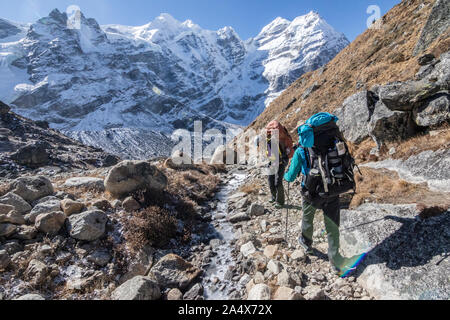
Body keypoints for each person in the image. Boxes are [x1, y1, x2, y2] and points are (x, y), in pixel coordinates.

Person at [284, 113, 366, 277]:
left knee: (308, 219)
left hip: (311, 193)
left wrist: (286, 177)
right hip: (333, 190)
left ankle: (306, 243)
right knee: (332, 226)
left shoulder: (301, 151)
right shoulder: (334, 143)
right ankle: (335, 260)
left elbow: (291, 176)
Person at [264, 121, 294, 209]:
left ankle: (280, 202)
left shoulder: (282, 140)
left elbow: (288, 151)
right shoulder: (269, 139)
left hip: (281, 161)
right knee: (270, 179)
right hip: (272, 160)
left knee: (278, 181)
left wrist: (284, 158)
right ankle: (274, 197)